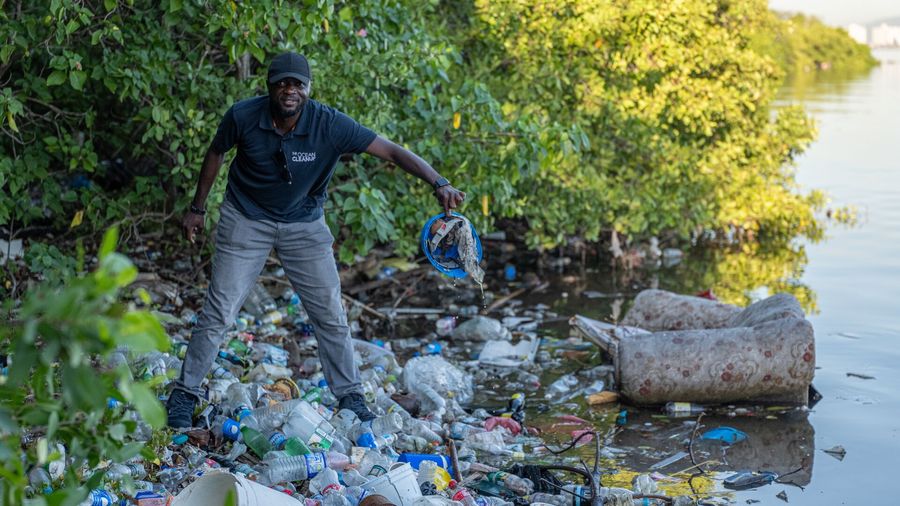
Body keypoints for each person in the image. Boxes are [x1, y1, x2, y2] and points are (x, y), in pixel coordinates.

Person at [166, 52, 465, 427]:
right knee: (219, 311)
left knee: (330, 313)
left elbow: (390, 151)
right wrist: (197, 207)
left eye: (298, 84)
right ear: (270, 87)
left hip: (304, 225)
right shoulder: (243, 115)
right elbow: (215, 152)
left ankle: (351, 396)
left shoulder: (329, 123)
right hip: (245, 218)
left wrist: (438, 181)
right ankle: (185, 393)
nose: (290, 90)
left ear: (308, 88)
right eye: (282, 83)